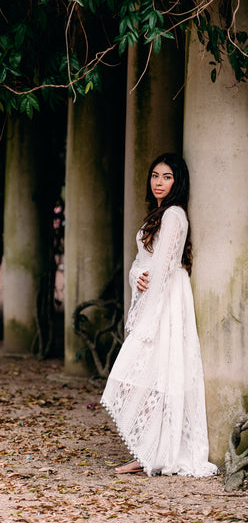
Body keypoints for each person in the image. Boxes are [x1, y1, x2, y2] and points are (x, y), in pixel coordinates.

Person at [101, 153, 218, 477]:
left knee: (153, 374)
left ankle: (152, 451)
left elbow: (165, 268)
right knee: (151, 376)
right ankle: (147, 450)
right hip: (156, 296)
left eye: (166, 177)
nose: (159, 182)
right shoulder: (159, 214)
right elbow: (144, 263)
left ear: (178, 181)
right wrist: (133, 276)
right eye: (155, 175)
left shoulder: (174, 216)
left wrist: (144, 317)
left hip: (166, 303)